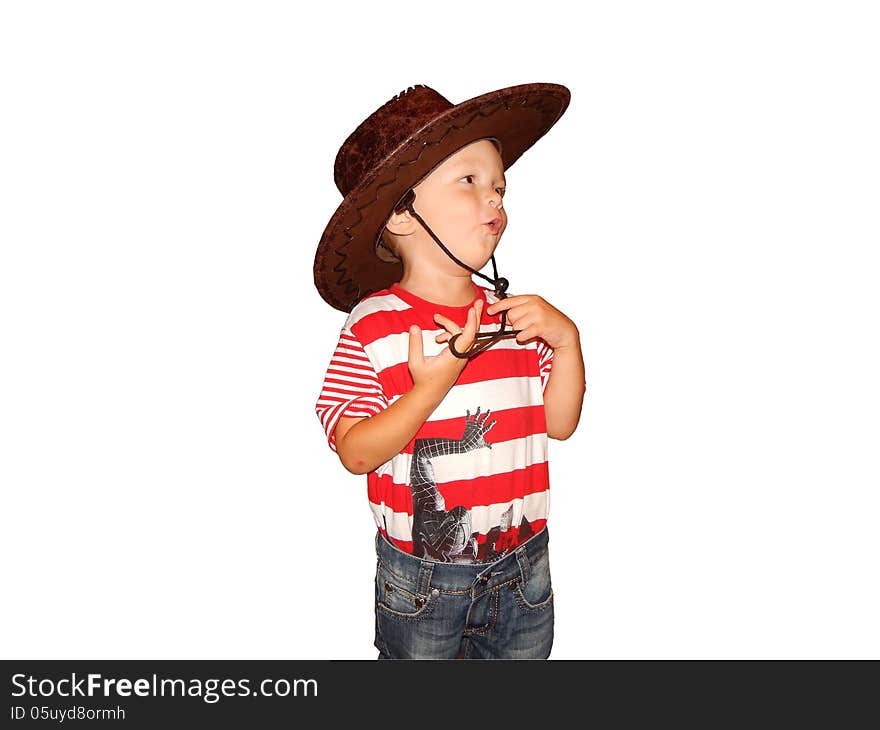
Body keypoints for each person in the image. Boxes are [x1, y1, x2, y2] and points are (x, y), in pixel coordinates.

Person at [313, 83, 587, 659]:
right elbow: (357, 453)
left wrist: (568, 342)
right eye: (469, 182)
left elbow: (558, 423)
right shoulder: (375, 326)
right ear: (401, 216)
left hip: (524, 561)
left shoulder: (513, 319)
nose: (496, 202)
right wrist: (431, 386)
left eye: (500, 187)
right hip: (425, 582)